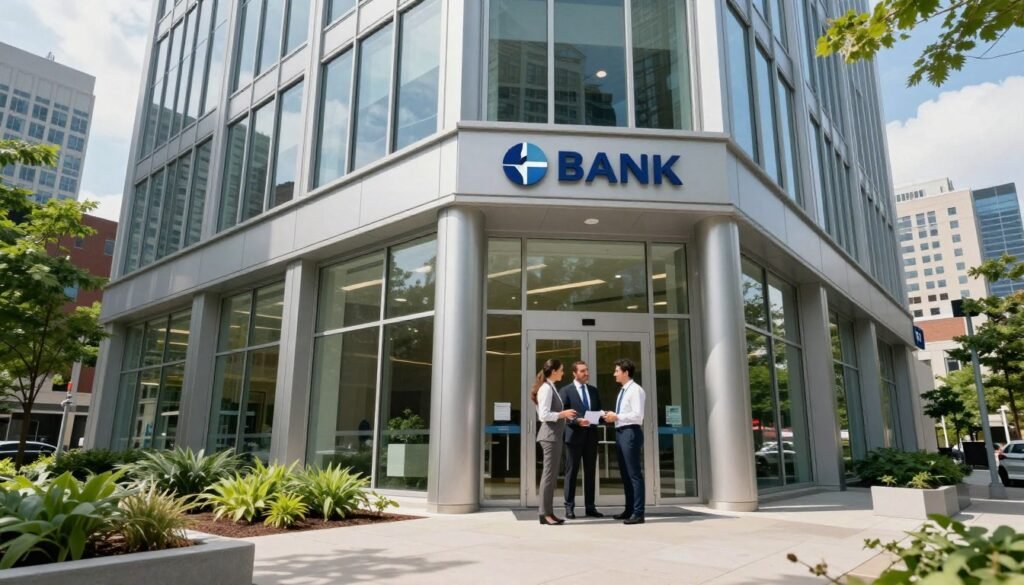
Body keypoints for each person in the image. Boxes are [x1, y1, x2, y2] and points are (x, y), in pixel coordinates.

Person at [532, 359, 576, 525]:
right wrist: (562, 414)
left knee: (551, 476)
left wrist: (563, 415)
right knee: (548, 476)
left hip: (554, 436)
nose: (563, 373)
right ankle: (544, 513)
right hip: (549, 436)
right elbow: (543, 415)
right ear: (554, 371)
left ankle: (548, 512)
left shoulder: (551, 387)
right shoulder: (546, 388)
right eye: (562, 370)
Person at [559, 361, 604, 519]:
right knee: (571, 473)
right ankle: (569, 507)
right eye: (583, 371)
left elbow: (598, 411)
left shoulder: (593, 390)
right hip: (574, 438)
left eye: (587, 370)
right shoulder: (565, 391)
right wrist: (577, 421)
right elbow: (563, 415)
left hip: (591, 437)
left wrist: (602, 416)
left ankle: (590, 507)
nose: (587, 373)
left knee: (590, 473)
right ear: (574, 373)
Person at [603, 358, 646, 524]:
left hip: (630, 433)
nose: (614, 374)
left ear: (626, 372)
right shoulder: (623, 391)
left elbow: (638, 415)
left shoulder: (636, 390)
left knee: (634, 474)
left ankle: (638, 513)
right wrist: (613, 415)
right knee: (625, 475)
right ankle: (629, 510)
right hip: (621, 432)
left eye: (617, 371)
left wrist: (617, 416)